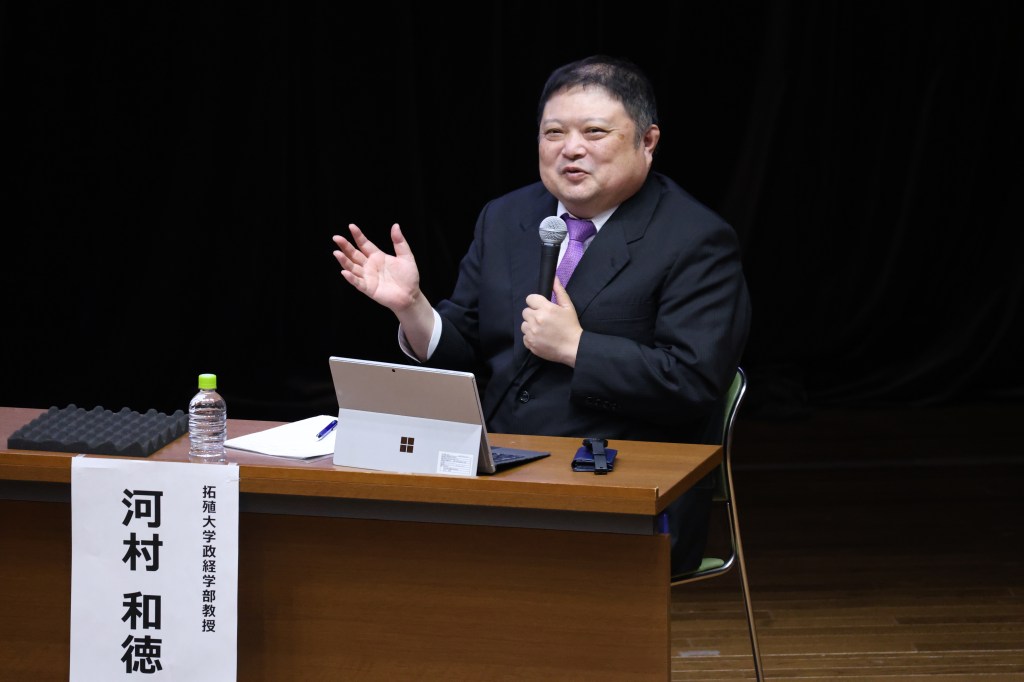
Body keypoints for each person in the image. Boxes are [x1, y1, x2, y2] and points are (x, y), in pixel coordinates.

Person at [332, 55, 751, 575]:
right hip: (494, 469)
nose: (571, 148)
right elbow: (466, 348)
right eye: (554, 132)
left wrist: (576, 347)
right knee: (368, 543)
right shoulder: (506, 217)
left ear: (647, 141)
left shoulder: (695, 239)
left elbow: (692, 383)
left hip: (620, 484)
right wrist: (412, 307)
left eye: (594, 132)